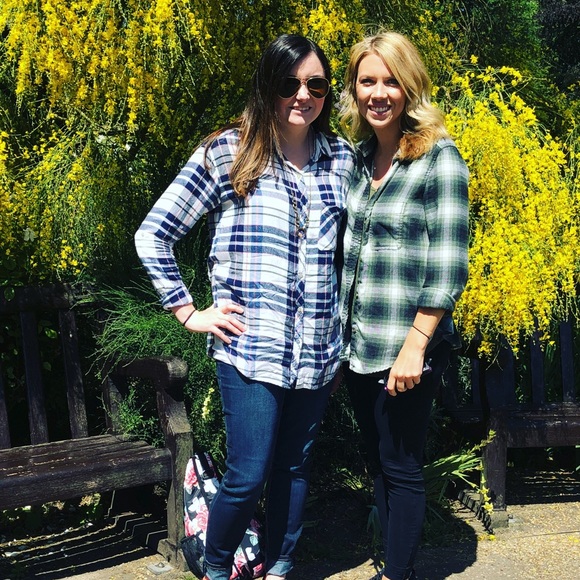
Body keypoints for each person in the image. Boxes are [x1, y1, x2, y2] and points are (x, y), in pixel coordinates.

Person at [135, 34, 354, 580]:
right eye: (289, 83)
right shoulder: (229, 152)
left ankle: (279, 567)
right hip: (250, 349)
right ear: (266, 86)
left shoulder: (342, 160)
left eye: (316, 85)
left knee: (295, 469)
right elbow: (153, 234)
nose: (302, 96)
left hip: (318, 351)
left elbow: (353, 255)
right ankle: (215, 569)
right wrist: (189, 312)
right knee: (247, 475)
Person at [338, 32, 469, 580]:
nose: (379, 93)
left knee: (402, 466)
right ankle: (395, 567)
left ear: (410, 86)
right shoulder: (359, 159)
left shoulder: (439, 158)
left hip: (405, 350)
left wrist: (415, 346)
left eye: (391, 81)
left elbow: (448, 265)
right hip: (359, 346)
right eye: (367, 81)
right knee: (378, 465)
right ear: (354, 89)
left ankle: (397, 574)